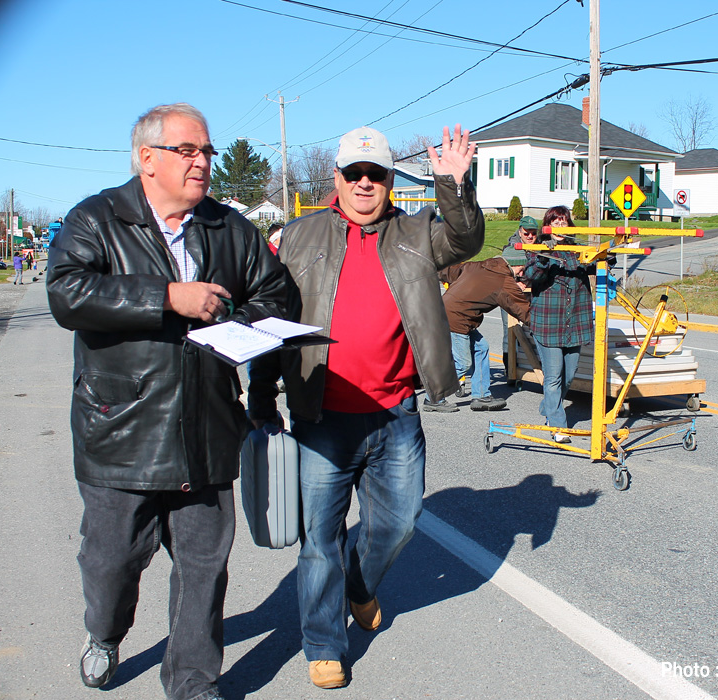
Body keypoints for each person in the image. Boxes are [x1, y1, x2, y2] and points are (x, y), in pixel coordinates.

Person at [46, 103, 292, 700]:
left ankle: (193, 682)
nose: (202, 162)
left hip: (207, 428)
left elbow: (277, 295)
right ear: (146, 158)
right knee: (111, 563)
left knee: (204, 570)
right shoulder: (97, 218)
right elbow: (67, 292)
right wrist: (165, 296)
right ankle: (104, 634)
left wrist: (234, 322)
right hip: (121, 431)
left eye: (207, 151)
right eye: (188, 150)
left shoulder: (231, 228)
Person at [248, 124, 482, 689]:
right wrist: (261, 390)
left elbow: (467, 240)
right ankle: (324, 644)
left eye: (375, 174)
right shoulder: (298, 237)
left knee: (399, 523)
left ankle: (359, 585)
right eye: (354, 173)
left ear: (389, 180)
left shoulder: (417, 232)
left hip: (395, 413)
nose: (364, 183)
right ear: (336, 178)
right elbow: (271, 316)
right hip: (321, 417)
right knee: (319, 540)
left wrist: (454, 184)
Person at [522, 205, 599, 444]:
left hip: (575, 322)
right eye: (554, 222)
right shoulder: (538, 249)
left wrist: (607, 257)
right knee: (553, 376)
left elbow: (595, 265)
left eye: (563, 222)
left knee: (569, 376)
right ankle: (558, 426)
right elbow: (532, 276)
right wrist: (545, 257)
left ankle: (549, 405)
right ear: (547, 226)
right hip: (548, 323)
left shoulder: (577, 250)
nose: (559, 226)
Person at [436, 249, 530, 412]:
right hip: (456, 320)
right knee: (463, 363)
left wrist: (431, 270)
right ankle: (434, 397)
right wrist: (543, 325)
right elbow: (521, 309)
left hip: (449, 313)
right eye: (522, 269)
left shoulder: (477, 266)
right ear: (516, 265)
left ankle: (481, 396)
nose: (522, 274)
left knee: (481, 348)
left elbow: (448, 271)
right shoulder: (503, 280)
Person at [500, 216, 541, 356]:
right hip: (511, 294)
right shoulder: (511, 249)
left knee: (532, 329)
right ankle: (510, 365)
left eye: (533, 233)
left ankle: (531, 363)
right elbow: (501, 273)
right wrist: (514, 283)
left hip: (531, 293)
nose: (530, 236)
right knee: (510, 330)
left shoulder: (540, 247)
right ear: (520, 232)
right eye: (526, 233)